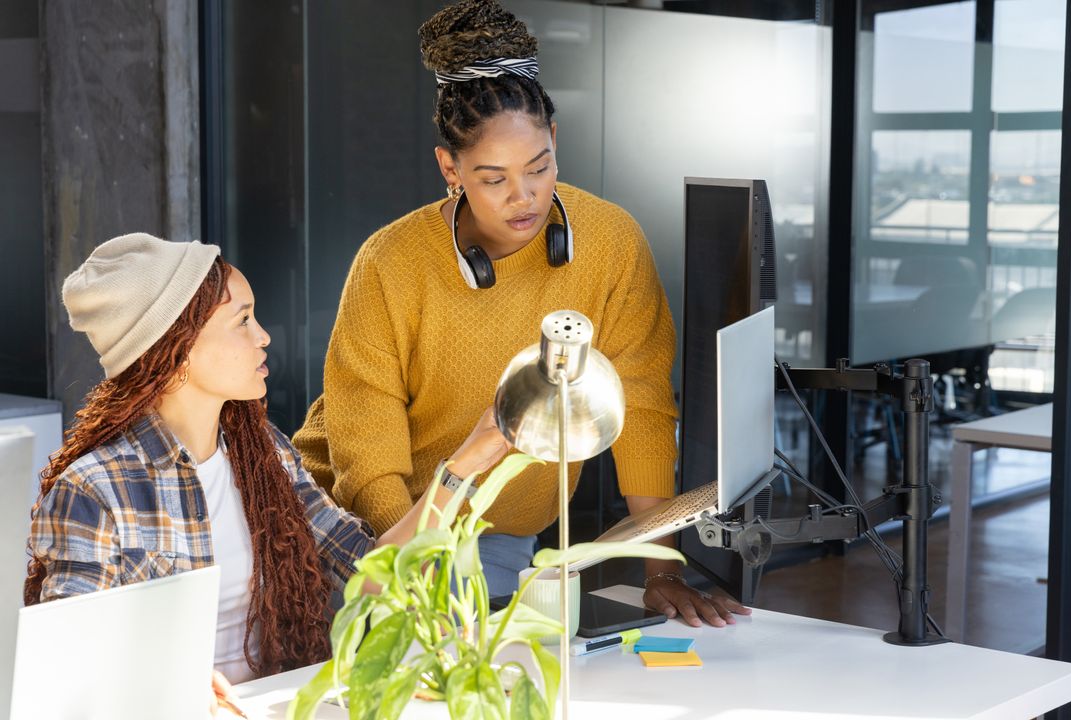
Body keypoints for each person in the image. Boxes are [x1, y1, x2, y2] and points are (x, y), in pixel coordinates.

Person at [293, 0, 749, 627]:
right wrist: (407, 560)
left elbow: (640, 408)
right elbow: (365, 448)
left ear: (556, 141)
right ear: (449, 169)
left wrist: (662, 569)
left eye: (538, 168)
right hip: (362, 528)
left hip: (502, 536)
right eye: (493, 178)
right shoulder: (390, 262)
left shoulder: (611, 243)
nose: (523, 197)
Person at [24, 233, 509, 694]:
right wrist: (181, 693)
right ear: (177, 350)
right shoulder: (94, 490)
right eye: (242, 321)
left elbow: (369, 575)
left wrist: (463, 466)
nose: (263, 337)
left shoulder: (262, 455)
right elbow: (74, 670)